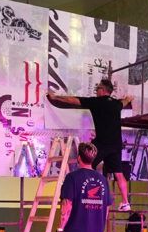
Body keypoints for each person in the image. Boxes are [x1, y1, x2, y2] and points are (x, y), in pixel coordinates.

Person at [47, 77, 132, 211]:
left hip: (102, 142)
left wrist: (55, 97)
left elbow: (73, 100)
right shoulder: (116, 104)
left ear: (103, 90)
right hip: (116, 144)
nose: (96, 91)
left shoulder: (96, 102)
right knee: (119, 173)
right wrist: (129, 98)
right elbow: (125, 101)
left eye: (98, 88)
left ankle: (80, 195)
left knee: (85, 165)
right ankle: (126, 202)